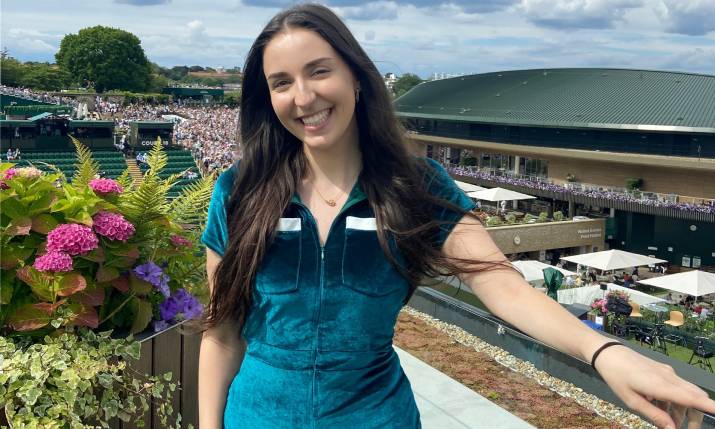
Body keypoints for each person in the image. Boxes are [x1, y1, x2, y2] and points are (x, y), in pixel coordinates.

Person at [198, 5, 715, 429]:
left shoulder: (417, 187)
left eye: (319, 71)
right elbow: (221, 334)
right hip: (257, 417)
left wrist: (604, 351)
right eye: (281, 82)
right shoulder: (240, 192)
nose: (303, 97)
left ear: (356, 77)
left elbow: (503, 285)